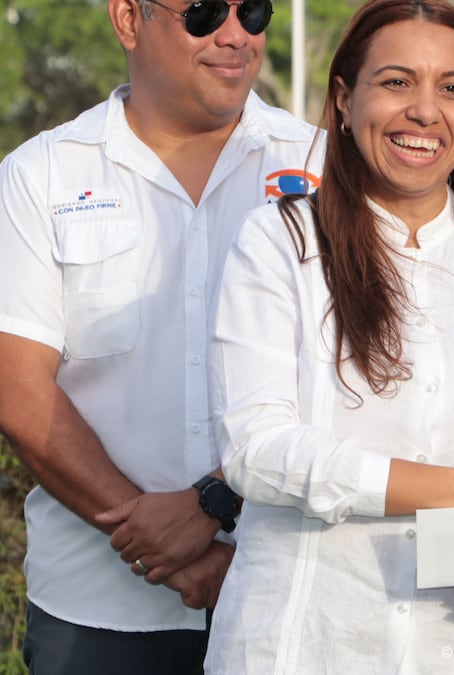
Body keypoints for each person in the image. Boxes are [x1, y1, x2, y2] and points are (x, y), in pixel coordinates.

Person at [202, 1, 454, 672]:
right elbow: (255, 447)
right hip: (306, 641)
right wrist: (447, 488)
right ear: (344, 101)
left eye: (453, 89)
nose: (426, 111)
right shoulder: (281, 240)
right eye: (397, 82)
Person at [0, 0, 319, 670]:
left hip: (284, 594)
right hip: (95, 609)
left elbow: (351, 372)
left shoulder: (324, 167)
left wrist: (214, 501)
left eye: (254, 10)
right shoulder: (41, 175)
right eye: (203, 11)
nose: (234, 34)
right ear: (126, 19)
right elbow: (18, 387)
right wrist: (152, 538)